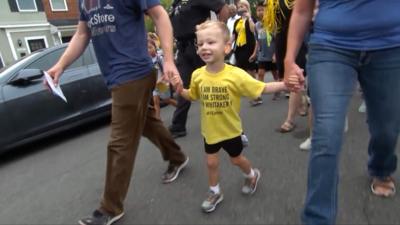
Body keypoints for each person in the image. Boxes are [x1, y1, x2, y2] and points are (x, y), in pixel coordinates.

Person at [46, 1, 189, 224]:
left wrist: (169, 60)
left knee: (119, 141)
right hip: (114, 76)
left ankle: (110, 207)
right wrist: (60, 65)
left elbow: (160, 16)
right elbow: (82, 34)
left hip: (133, 72)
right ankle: (177, 157)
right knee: (146, 123)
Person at [284, 0, 400, 224]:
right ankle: (317, 218)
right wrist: (289, 59)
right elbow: (302, 9)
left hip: (391, 46)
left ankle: (381, 166)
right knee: (326, 133)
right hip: (331, 46)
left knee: (387, 126)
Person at [173, 20, 292, 213]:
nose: (204, 47)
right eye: (200, 44)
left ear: (227, 47)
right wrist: (180, 90)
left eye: (211, 42)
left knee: (236, 160)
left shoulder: (235, 74)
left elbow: (261, 88)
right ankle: (215, 191)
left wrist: (285, 84)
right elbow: (192, 95)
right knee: (211, 163)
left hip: (231, 131)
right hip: (210, 131)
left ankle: (252, 174)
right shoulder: (197, 75)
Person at [168, 0, 230, 138]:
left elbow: (223, 8)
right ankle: (178, 126)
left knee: (213, 83)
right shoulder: (174, 4)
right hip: (183, 49)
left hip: (200, 45)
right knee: (182, 86)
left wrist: (219, 35)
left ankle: (226, 123)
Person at [264, 0, 308, 132]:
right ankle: (302, 98)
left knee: (294, 76)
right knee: (284, 79)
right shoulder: (272, 2)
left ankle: (290, 120)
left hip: (297, 37)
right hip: (281, 39)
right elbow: (271, 24)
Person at [231, 0, 259, 106]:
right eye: (239, 6)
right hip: (239, 48)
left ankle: (256, 95)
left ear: (247, 7)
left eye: (242, 6)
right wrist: (228, 44)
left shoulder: (251, 19)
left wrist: (249, 17)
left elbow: (253, 30)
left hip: (249, 47)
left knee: (251, 72)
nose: (240, 8)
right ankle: (251, 93)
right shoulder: (237, 21)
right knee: (242, 72)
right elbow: (234, 34)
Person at [147, 37, 177, 119]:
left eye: (150, 47)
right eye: (147, 49)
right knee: (156, 102)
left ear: (154, 47)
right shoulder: (147, 61)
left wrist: (161, 79)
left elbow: (165, 71)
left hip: (162, 83)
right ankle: (158, 119)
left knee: (167, 100)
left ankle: (179, 108)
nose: (149, 50)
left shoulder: (159, 58)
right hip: (154, 85)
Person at [254, 1, 279, 100]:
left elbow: (277, 40)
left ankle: (277, 90)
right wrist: (255, 53)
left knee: (275, 74)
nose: (260, 12)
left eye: (262, 10)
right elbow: (257, 40)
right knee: (260, 73)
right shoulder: (257, 25)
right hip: (262, 54)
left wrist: (275, 54)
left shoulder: (272, 24)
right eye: (258, 10)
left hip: (272, 54)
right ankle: (258, 94)